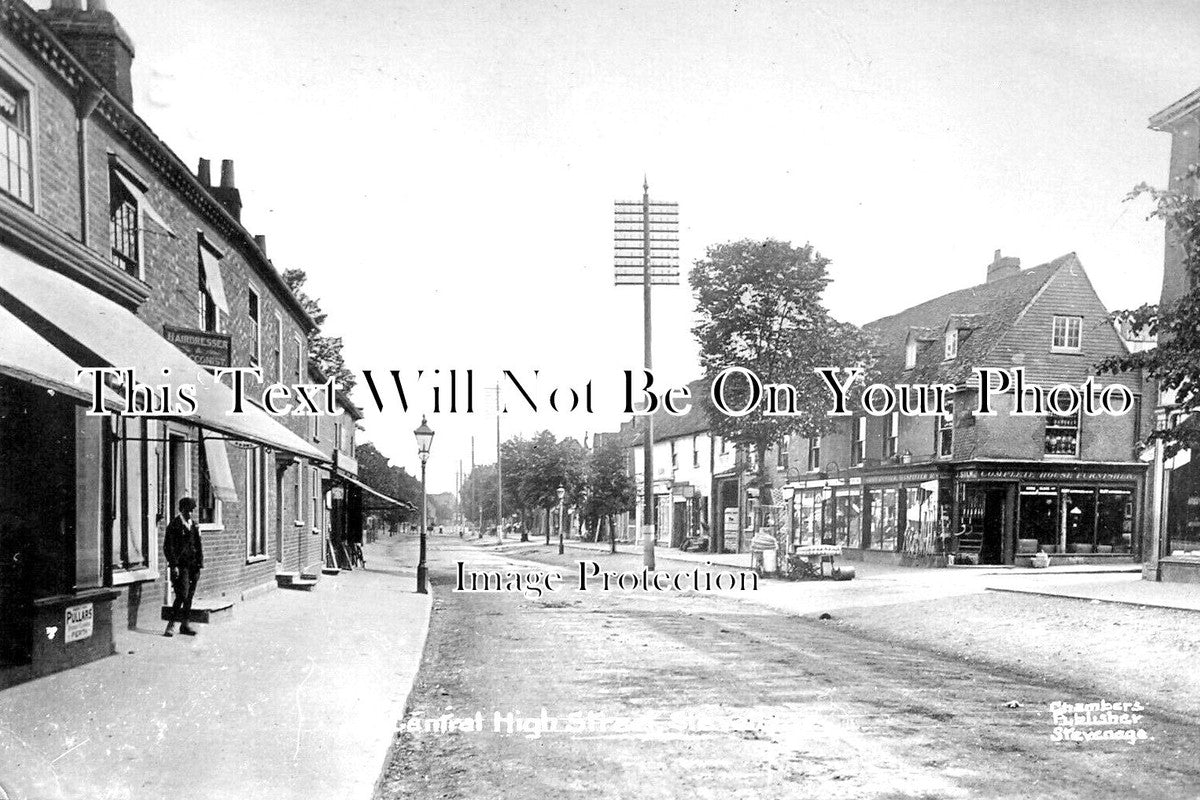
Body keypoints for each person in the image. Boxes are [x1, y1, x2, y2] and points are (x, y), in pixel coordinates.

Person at [163, 497, 203, 637]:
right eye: (187, 511)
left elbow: (198, 546)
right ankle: (171, 624)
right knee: (182, 594)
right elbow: (168, 547)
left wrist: (199, 565)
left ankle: (185, 624)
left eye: (192, 511)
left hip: (193, 566)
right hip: (181, 566)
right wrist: (174, 565)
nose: (190, 514)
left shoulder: (194, 526)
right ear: (181, 510)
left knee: (190, 596)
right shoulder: (174, 526)